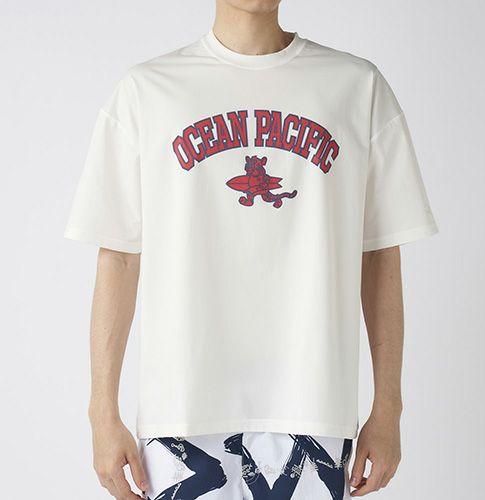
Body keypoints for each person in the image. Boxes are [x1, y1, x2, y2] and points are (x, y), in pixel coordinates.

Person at [64, 0, 439, 498]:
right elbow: (119, 255)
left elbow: (379, 254)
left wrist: (388, 407)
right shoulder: (147, 90)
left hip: (314, 406)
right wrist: (101, 413)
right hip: (181, 409)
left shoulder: (356, 86)